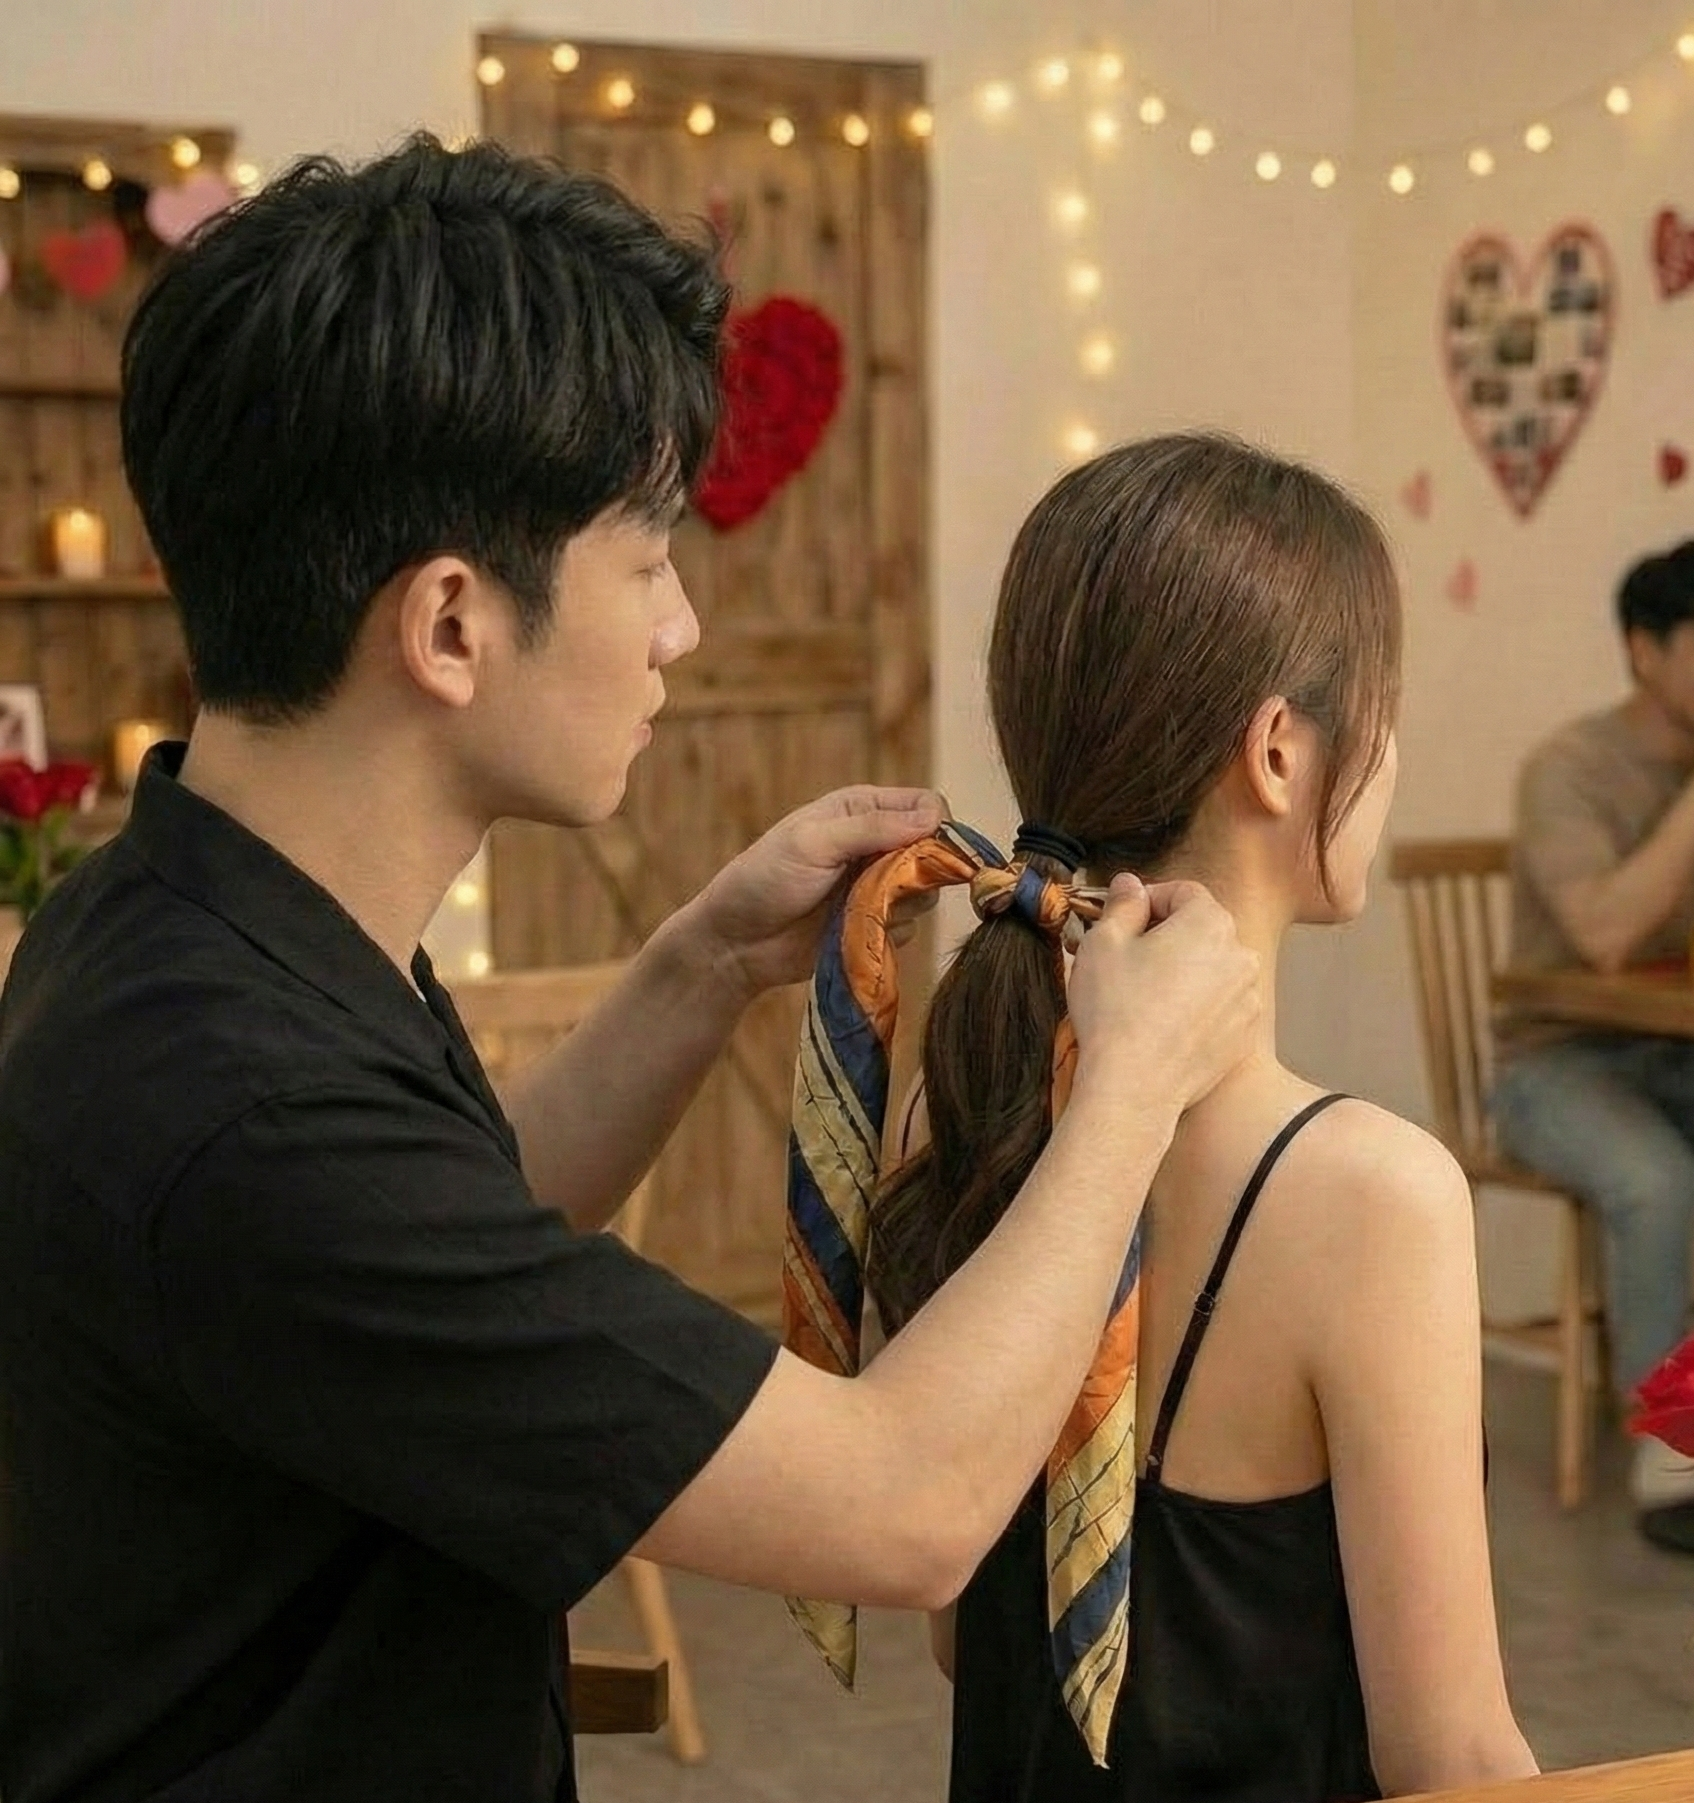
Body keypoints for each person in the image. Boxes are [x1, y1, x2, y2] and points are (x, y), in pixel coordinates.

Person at [0, 138, 1261, 1803]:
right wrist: (1129, 1090)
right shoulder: (249, 1106)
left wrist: (699, 966)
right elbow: (900, 1505)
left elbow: (450, 1239)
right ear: (451, 625)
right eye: (649, 560)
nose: (680, 628)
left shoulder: (167, 918)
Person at [867, 434, 1538, 1800]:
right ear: (1279, 752)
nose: (1391, 756)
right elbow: (1452, 1758)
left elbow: (963, 1642)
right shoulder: (1371, 1193)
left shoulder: (959, 1092)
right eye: (1383, 713)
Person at [1494, 540, 1694, 1552]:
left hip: (1674, 1052)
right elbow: (1604, 934)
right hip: (1556, 1062)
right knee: (1658, 1181)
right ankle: (1672, 1464)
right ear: (1644, 651)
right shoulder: (1568, 769)